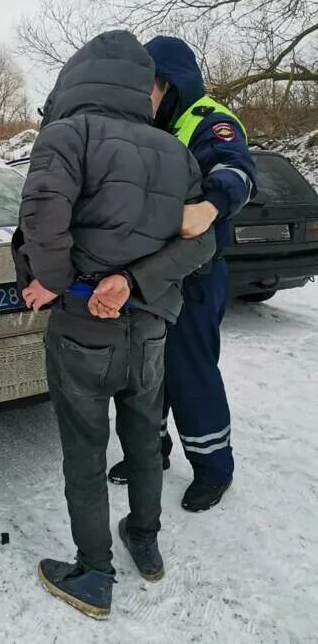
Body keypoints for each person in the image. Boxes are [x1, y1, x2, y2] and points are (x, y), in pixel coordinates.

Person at [13, 30, 216, 618]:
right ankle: (145, 541)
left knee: (85, 449)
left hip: (83, 327)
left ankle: (94, 573)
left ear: (76, 76)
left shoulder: (65, 135)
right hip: (149, 327)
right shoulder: (174, 151)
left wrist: (55, 281)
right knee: (143, 438)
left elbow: (41, 220)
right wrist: (134, 282)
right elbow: (202, 244)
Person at [107, 36, 257, 512]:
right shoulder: (149, 125)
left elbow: (237, 170)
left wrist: (211, 204)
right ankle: (150, 451)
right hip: (151, 272)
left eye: (146, 85)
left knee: (190, 372)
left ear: (169, 83)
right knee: (145, 371)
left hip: (196, 271)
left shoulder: (208, 120)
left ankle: (213, 468)